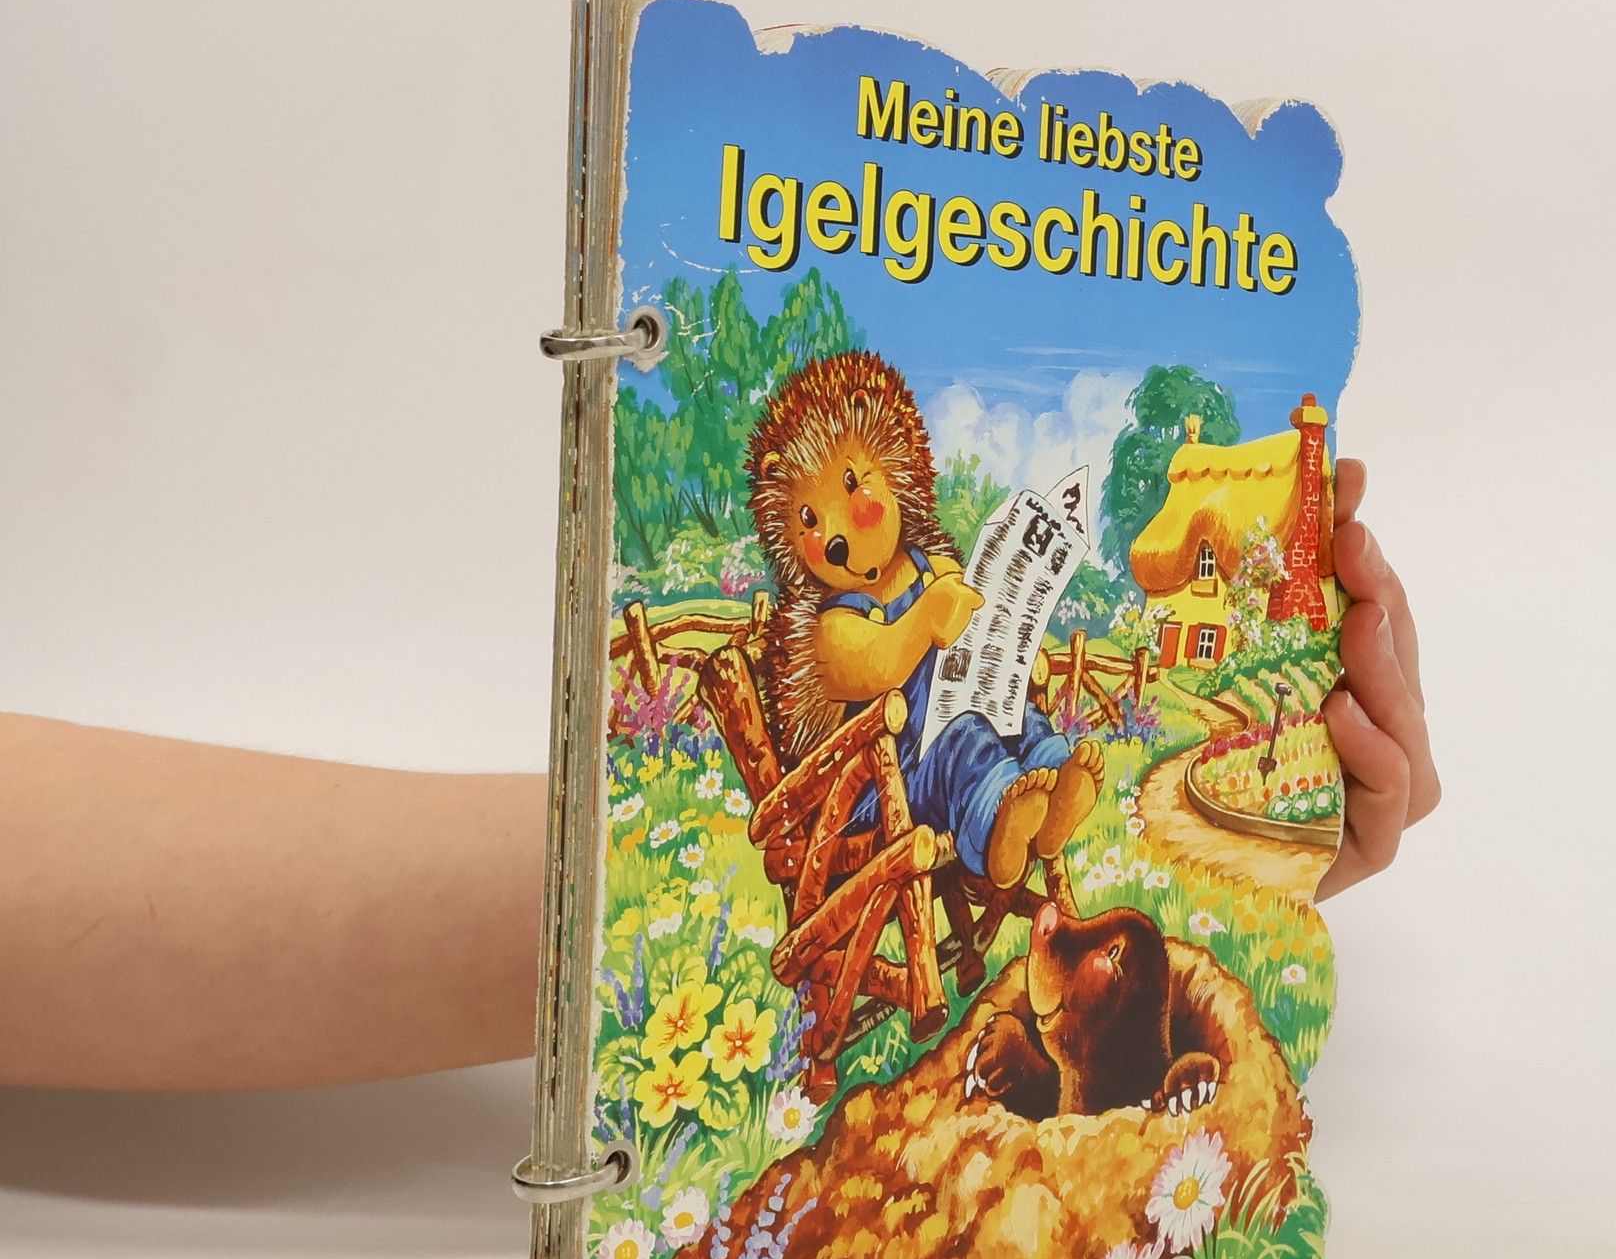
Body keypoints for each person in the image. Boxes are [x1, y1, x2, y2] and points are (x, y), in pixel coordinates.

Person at [0, 460, 1437, 1092]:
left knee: (1007, 737)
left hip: (933, 737)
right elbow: (861, 679)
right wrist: (922, 632)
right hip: (885, 767)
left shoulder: (911, 570)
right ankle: (1008, 808)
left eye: (866, 496)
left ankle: (1040, 793)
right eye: (824, 519)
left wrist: (1267, 831)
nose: (853, 523)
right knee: (958, 756)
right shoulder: (837, 624)